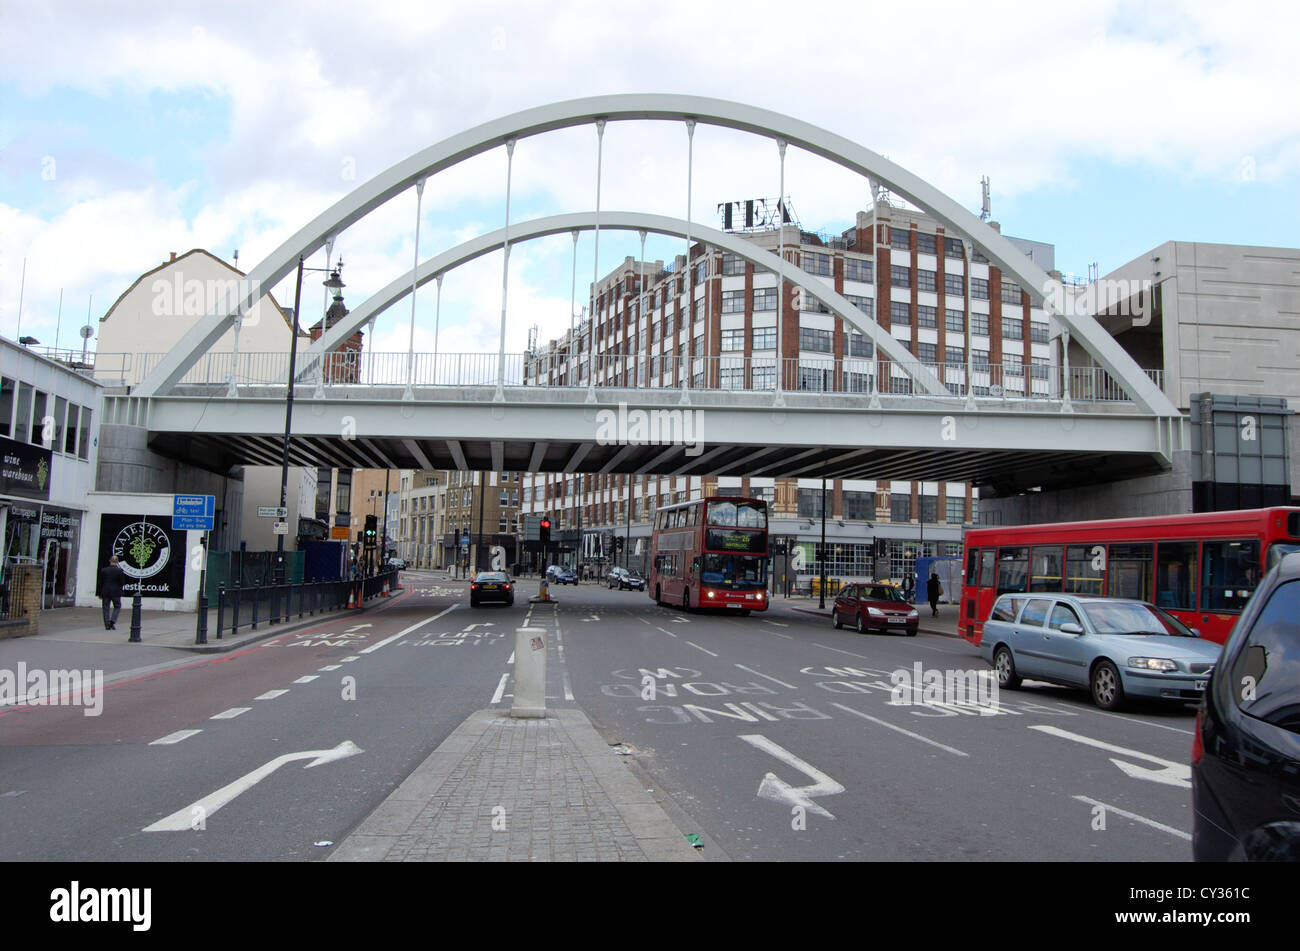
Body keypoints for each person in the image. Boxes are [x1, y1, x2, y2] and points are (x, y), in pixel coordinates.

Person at [99, 555, 127, 631]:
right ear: (117, 562)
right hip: (116, 592)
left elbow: (100, 583)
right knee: (117, 606)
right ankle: (113, 621)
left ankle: (107, 624)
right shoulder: (120, 571)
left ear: (109, 560)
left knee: (106, 608)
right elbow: (122, 582)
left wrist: (100, 593)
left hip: (106, 591)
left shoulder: (104, 570)